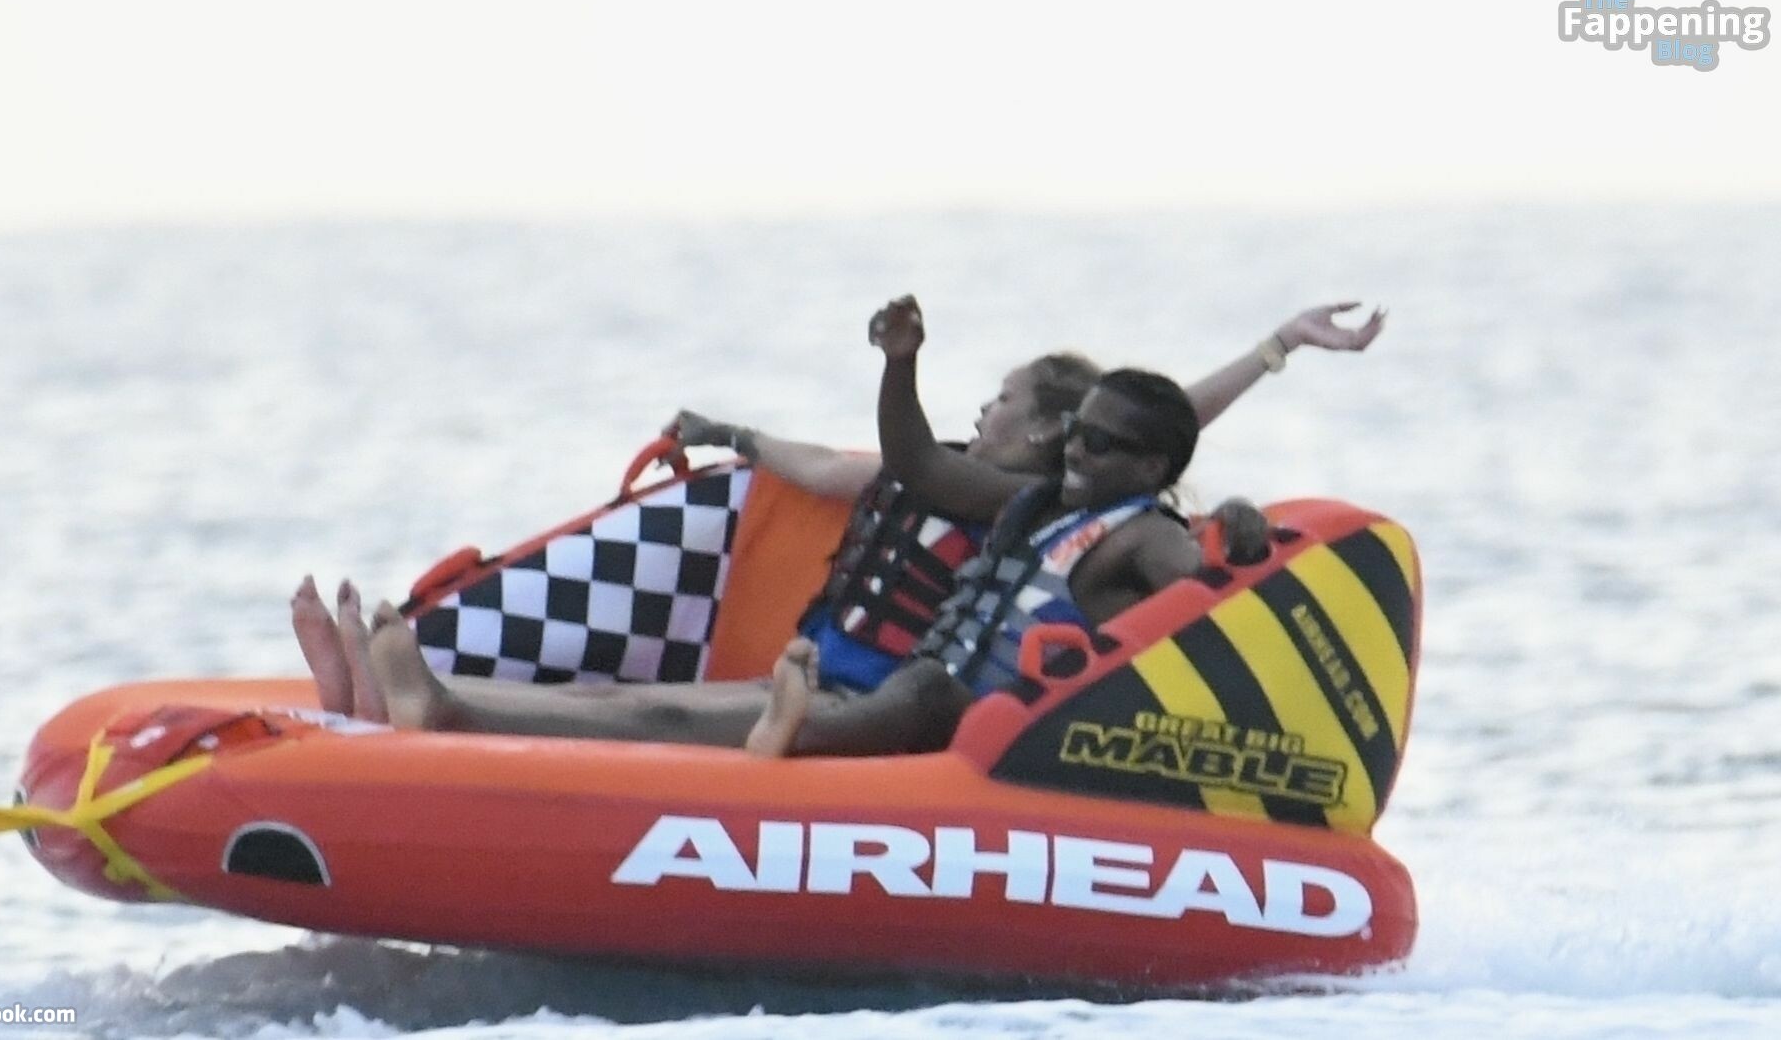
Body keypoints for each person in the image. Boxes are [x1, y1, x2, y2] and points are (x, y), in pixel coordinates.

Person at [295, 295, 1386, 745]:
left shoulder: (1123, 518)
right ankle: (418, 703)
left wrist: (1244, 497)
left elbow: (1195, 538)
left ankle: (449, 710)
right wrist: (887, 370)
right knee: (629, 701)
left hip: (925, 709)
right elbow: (897, 461)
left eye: (1008, 404)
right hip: (882, 682)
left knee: (661, 716)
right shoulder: (1026, 497)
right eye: (1079, 441)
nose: (1077, 455)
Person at [743, 354, 1208, 758]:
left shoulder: (1148, 534)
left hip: (1012, 734)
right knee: (925, 681)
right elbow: (920, 464)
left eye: (1097, 443)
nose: (1073, 451)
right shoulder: (1042, 502)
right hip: (938, 707)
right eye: (1074, 431)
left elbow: (1213, 594)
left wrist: (1236, 523)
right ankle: (801, 724)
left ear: (1152, 468)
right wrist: (901, 361)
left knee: (931, 690)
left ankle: (804, 732)